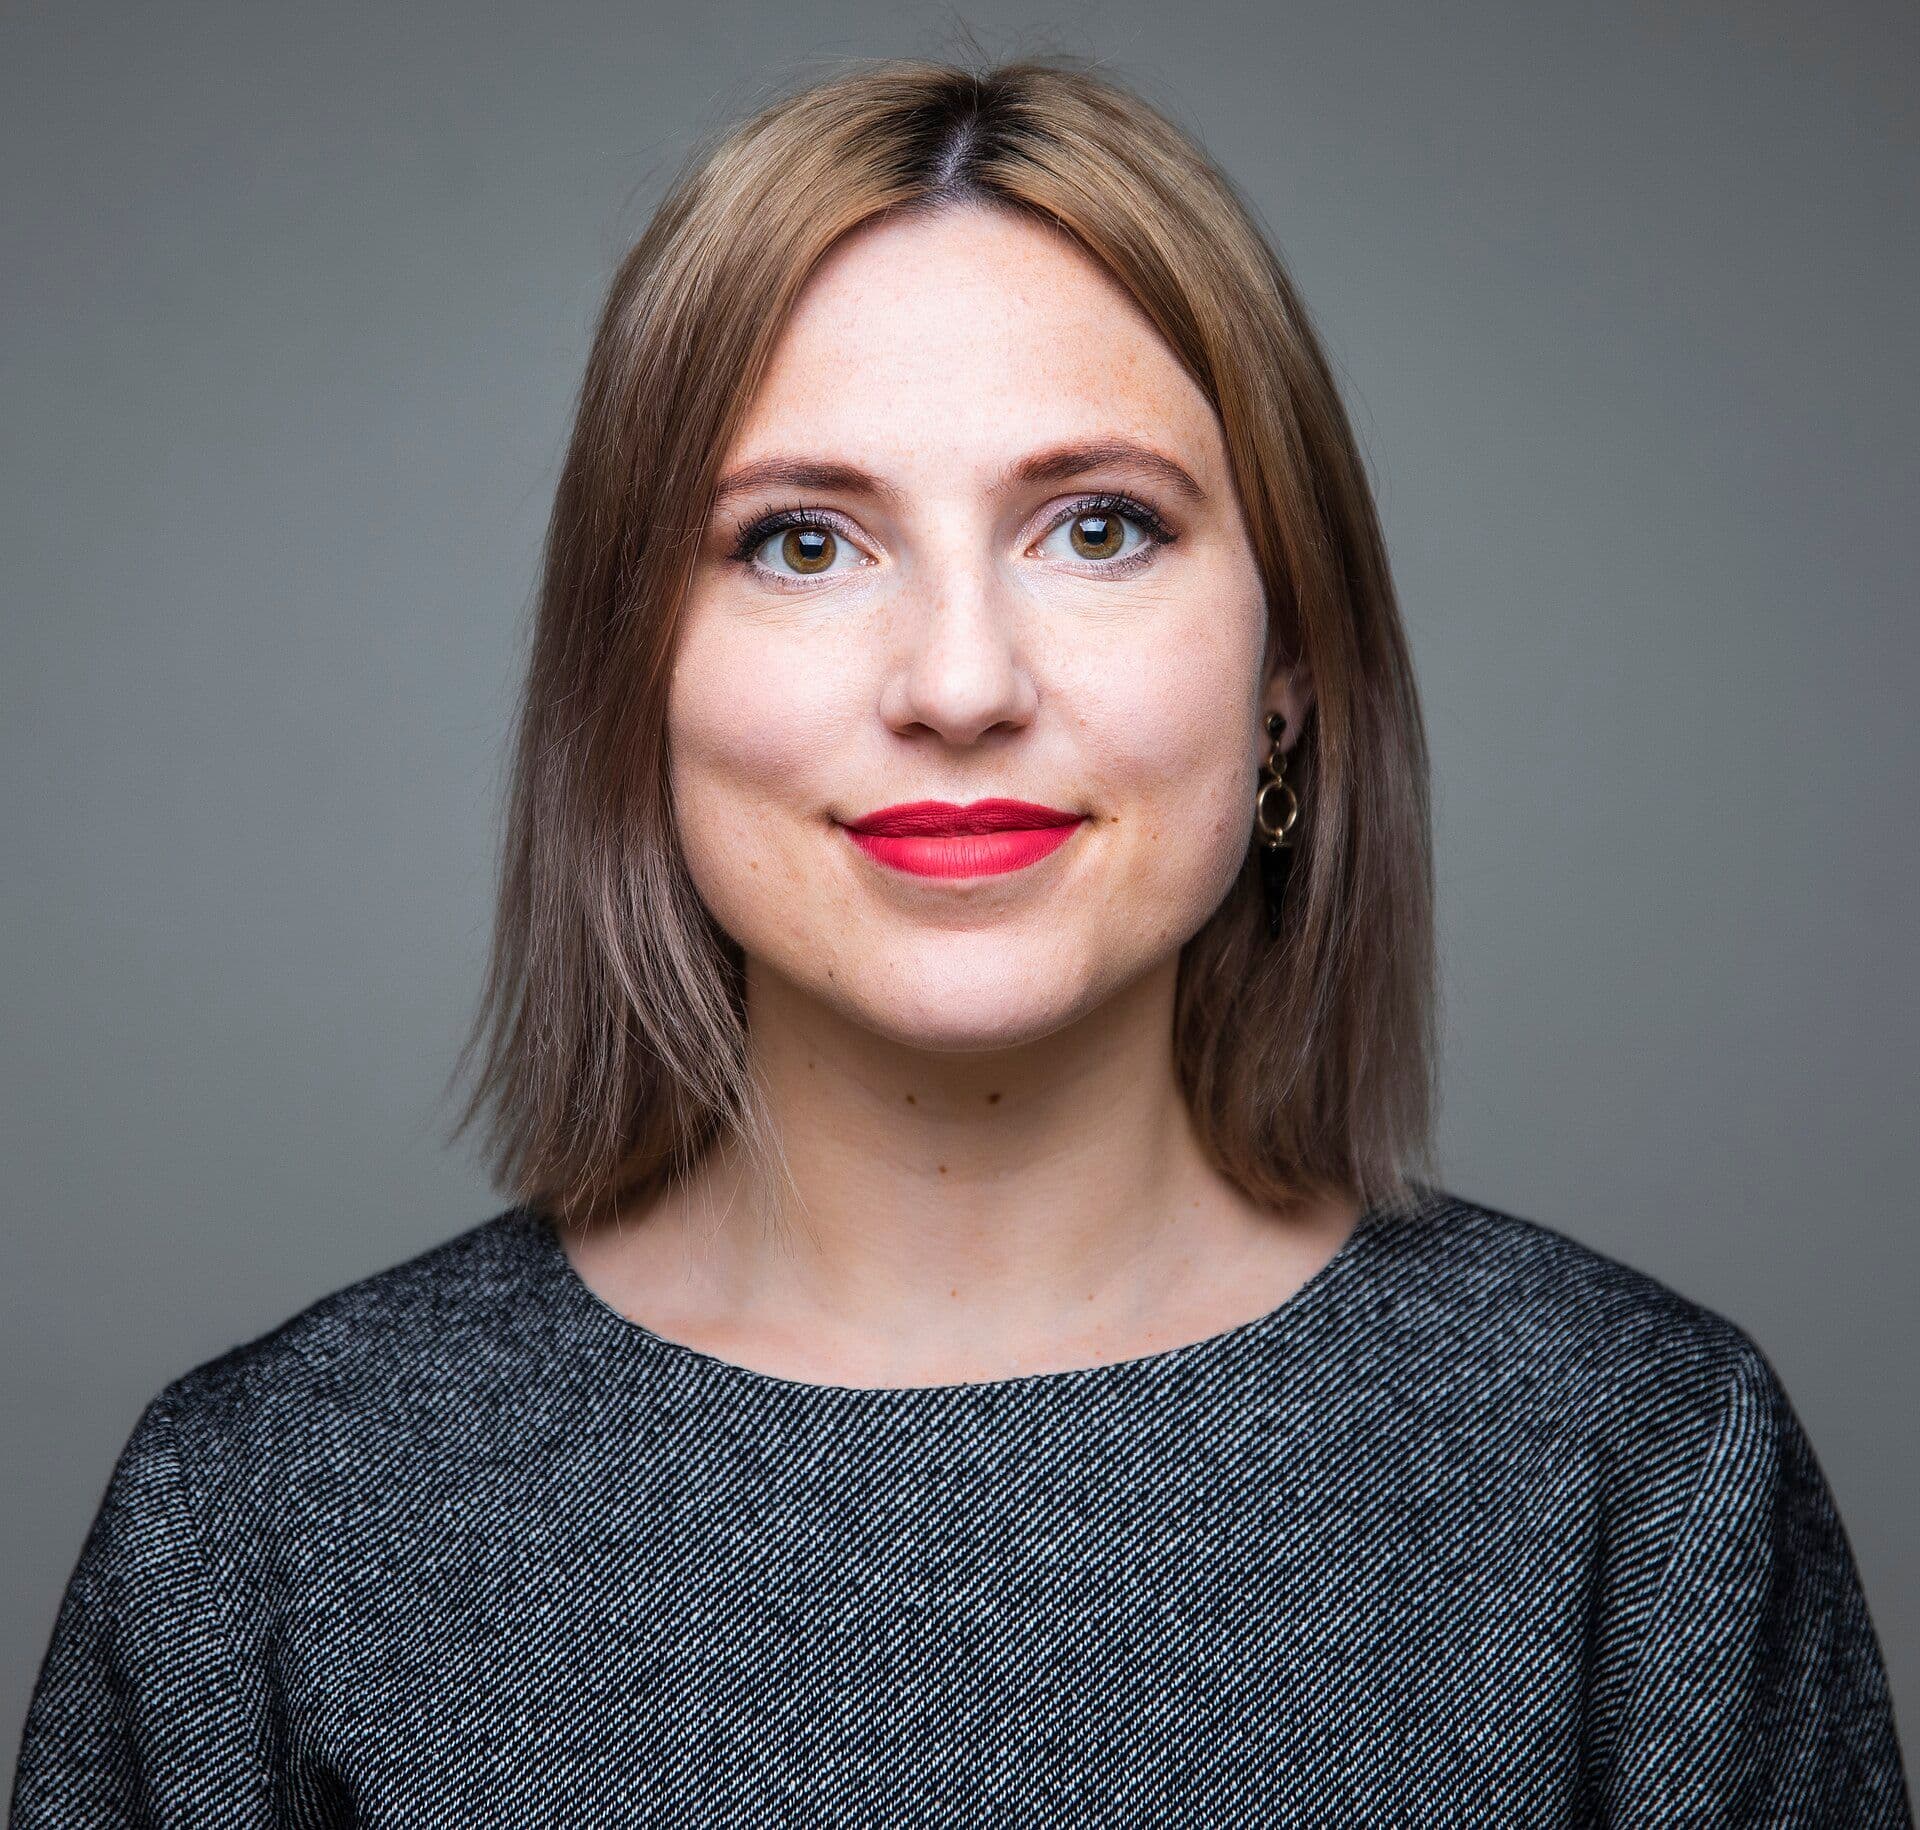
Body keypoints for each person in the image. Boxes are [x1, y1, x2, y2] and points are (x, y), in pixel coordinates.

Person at [12, 54, 1911, 1825]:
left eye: (1096, 527)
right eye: (802, 544)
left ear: (1290, 675)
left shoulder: (1650, 1481)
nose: (958, 683)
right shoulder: (265, 1521)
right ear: (631, 674)